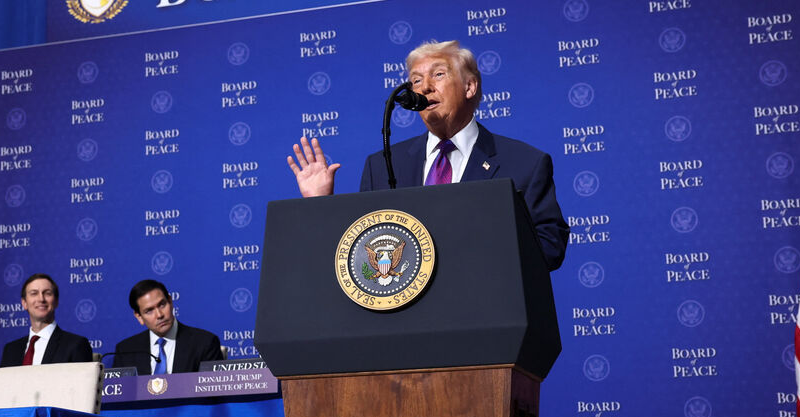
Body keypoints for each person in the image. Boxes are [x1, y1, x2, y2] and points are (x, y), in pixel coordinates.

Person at [287, 39, 569, 270]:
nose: (424, 87)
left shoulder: (525, 163)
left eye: (438, 74)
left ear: (469, 87)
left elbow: (549, 248)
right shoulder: (383, 165)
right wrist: (319, 205)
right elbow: (362, 254)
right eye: (416, 80)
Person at [112, 279, 222, 375]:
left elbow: (211, 390)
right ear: (139, 317)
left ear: (170, 301)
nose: (159, 315)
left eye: (162, 305)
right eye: (149, 311)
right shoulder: (125, 351)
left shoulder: (204, 343)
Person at [0, 273, 93, 367]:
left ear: (56, 301)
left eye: (47, 293)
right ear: (24, 303)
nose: (41, 299)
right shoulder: (10, 350)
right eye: (34, 293)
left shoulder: (76, 345)